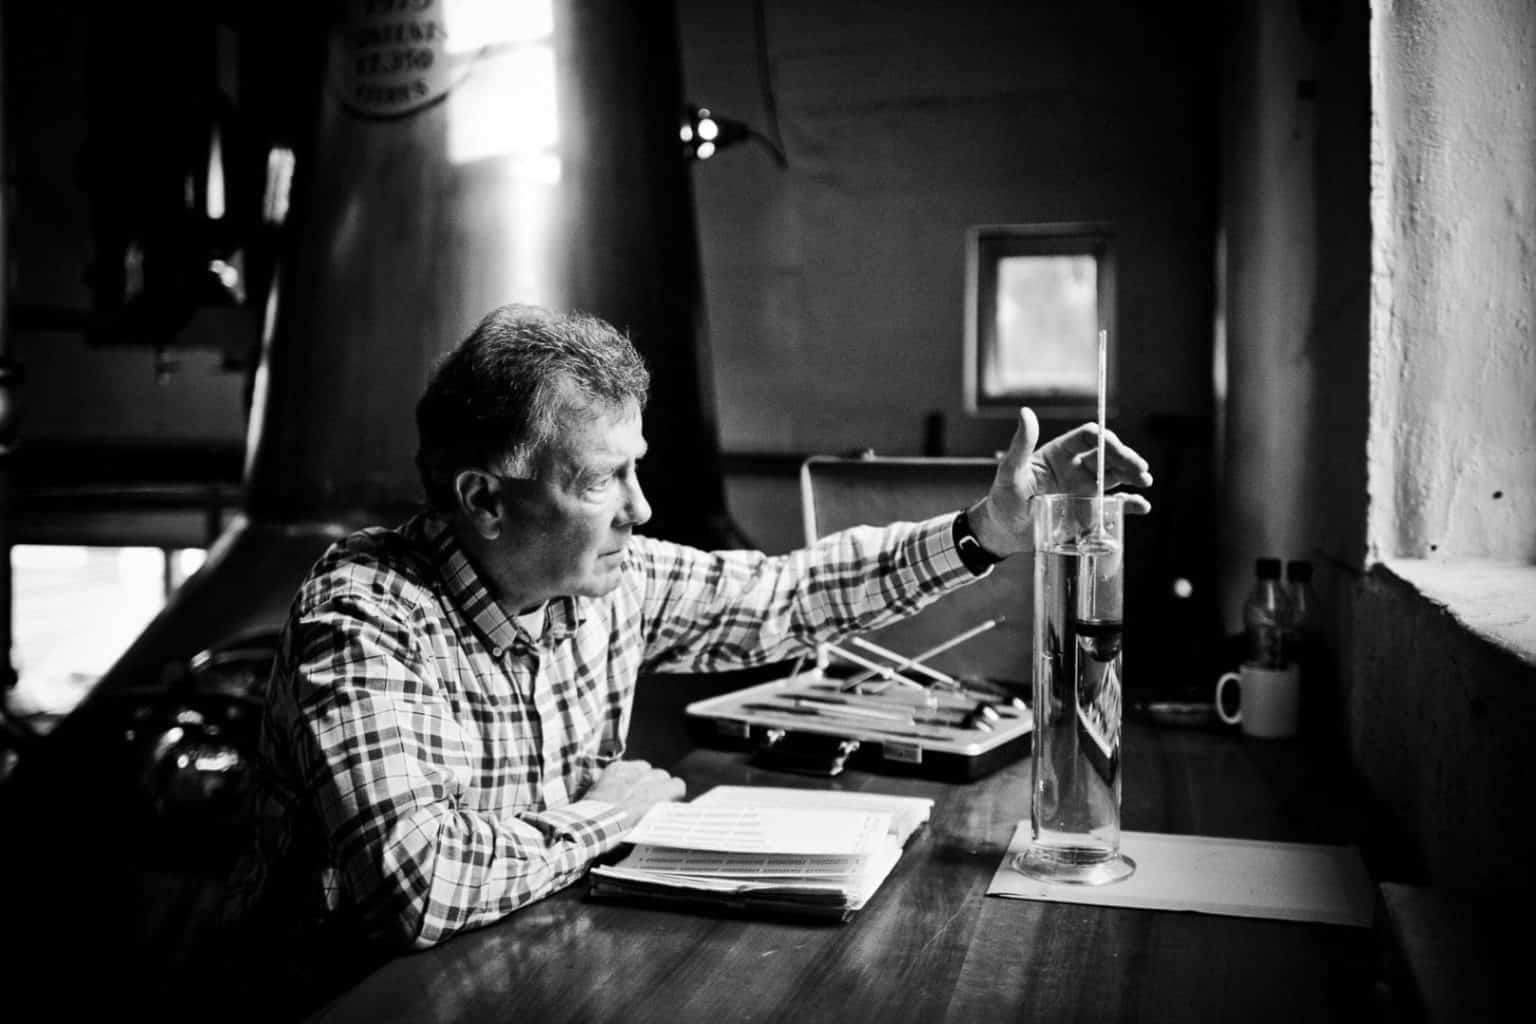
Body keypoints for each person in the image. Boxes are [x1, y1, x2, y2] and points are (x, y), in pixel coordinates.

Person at [229, 302, 1153, 974]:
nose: (643, 507)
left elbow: (789, 596)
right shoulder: (365, 614)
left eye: (640, 469)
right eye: (605, 481)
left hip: (519, 965)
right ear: (483, 500)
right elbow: (417, 887)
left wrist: (983, 531)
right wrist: (610, 818)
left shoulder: (608, 581)